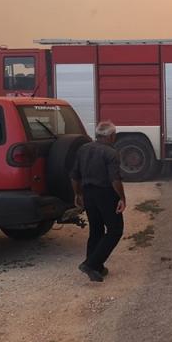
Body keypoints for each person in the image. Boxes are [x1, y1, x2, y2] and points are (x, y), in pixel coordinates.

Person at [71, 121, 126, 282]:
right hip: (106, 194)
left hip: (88, 193)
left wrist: (78, 194)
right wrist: (122, 198)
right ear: (111, 136)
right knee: (115, 230)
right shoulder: (111, 153)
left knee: (96, 230)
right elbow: (115, 179)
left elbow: (74, 175)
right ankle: (91, 264)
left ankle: (97, 267)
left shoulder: (83, 149)